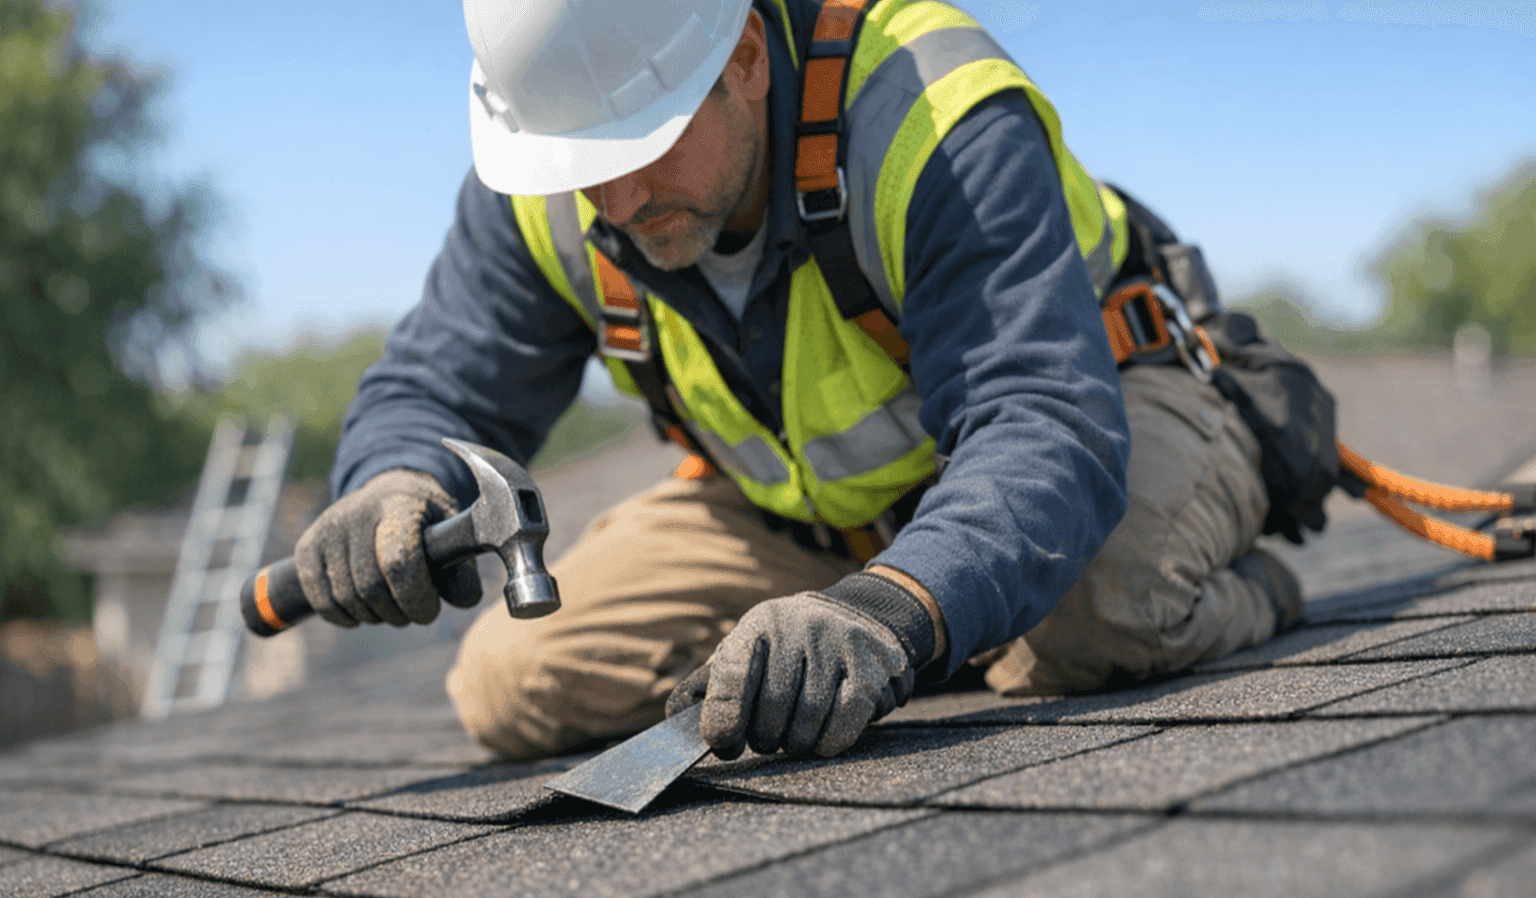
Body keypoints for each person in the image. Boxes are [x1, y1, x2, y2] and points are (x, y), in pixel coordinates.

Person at [296, 0, 1306, 764]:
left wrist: (888, 614)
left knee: (1102, 617)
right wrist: (391, 479)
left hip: (1105, 416)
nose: (617, 197)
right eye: (581, 160)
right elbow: (436, 380)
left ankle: (1245, 581)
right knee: (514, 682)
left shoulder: (931, 110)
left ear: (742, 58)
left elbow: (1041, 420)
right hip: (814, 517)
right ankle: (948, 613)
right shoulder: (549, 178)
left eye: (642, 141)